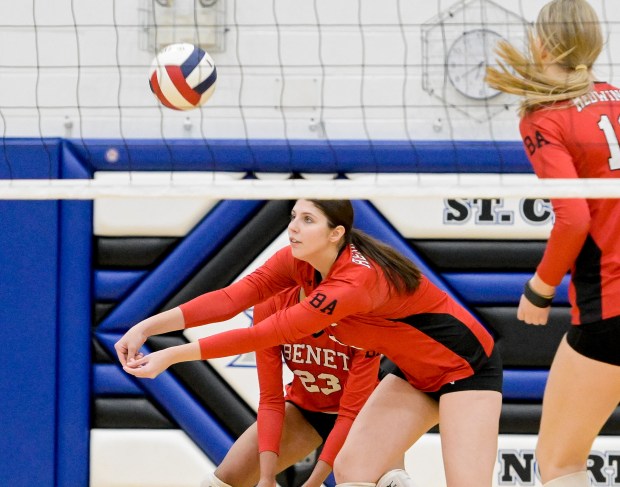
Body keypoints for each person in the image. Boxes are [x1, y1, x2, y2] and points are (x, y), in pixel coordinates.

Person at [115, 199, 502, 487]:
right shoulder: (298, 262)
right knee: (353, 470)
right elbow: (232, 298)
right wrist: (147, 327)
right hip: (413, 374)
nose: (294, 228)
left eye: (307, 220)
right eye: (293, 218)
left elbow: (266, 333)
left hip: (466, 370)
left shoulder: (355, 282)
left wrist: (174, 354)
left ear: (336, 234)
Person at [486, 1, 620, 486]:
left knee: (561, 463)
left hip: (611, 306)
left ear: (541, 45)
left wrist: (540, 289)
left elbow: (573, 219)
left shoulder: (547, 117)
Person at [201, 285, 397, 487]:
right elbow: (270, 398)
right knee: (223, 481)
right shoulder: (274, 304)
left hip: (365, 414)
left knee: (384, 482)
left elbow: (350, 412)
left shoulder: (362, 312)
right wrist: (266, 478)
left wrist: (312, 483)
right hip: (306, 408)